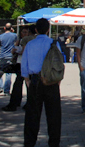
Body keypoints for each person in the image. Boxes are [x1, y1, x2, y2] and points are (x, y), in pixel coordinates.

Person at [22, 18, 62, 147]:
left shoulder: (30, 44)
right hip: (51, 82)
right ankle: (54, 142)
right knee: (54, 115)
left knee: (32, 115)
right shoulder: (53, 43)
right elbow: (59, 64)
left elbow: (24, 65)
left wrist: (27, 79)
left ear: (36, 30)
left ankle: (29, 142)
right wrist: (58, 80)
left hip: (34, 81)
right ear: (48, 29)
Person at [3, 26, 35, 112]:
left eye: (25, 32)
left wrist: (16, 51)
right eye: (23, 32)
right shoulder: (34, 39)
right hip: (30, 64)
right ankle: (29, 102)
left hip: (23, 63)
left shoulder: (25, 40)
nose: (24, 34)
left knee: (19, 83)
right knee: (28, 84)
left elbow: (23, 52)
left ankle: (14, 103)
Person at [0, 24, 18, 97]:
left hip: (2, 56)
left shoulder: (0, 36)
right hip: (10, 56)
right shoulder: (14, 35)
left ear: (4, 28)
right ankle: (6, 90)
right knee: (8, 73)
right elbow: (17, 44)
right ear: (11, 28)